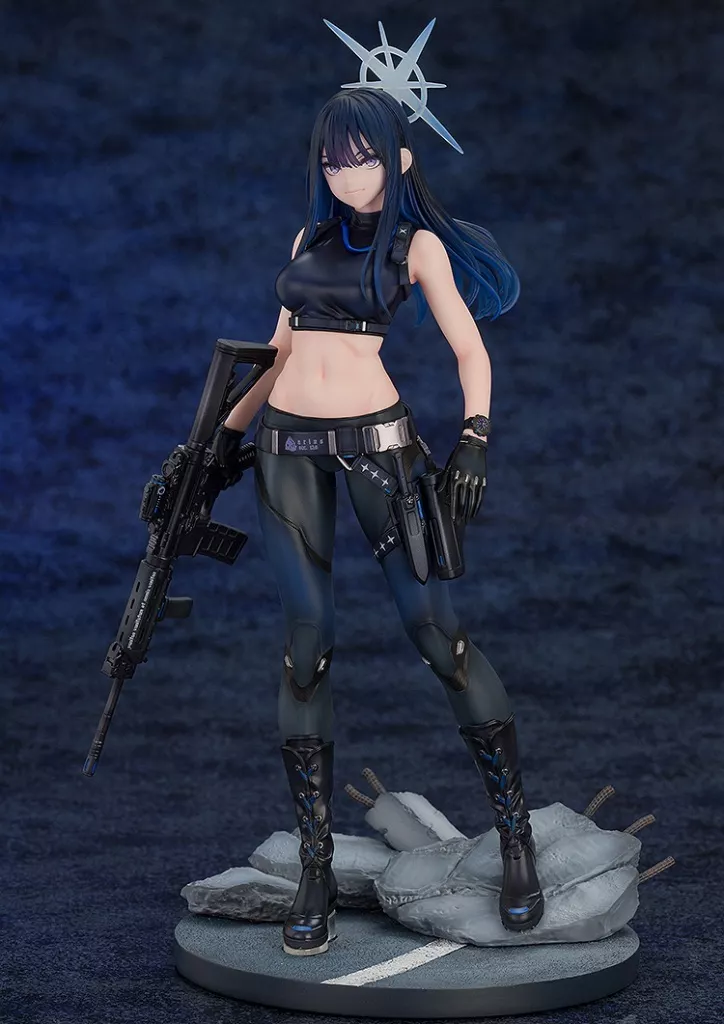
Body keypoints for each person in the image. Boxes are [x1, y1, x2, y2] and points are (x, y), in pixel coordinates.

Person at [213, 86, 544, 956]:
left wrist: (474, 438)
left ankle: (516, 841)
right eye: (332, 159)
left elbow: (469, 348)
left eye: (361, 157)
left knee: (439, 637)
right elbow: (277, 350)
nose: (345, 173)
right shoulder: (308, 239)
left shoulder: (415, 245)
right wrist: (215, 441)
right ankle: (315, 867)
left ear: (399, 158)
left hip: (381, 450)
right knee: (305, 646)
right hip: (286, 448)